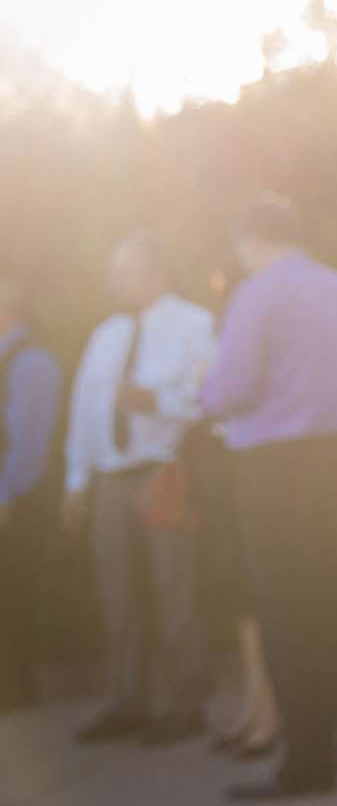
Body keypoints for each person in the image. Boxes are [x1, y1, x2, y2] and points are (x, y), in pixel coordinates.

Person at [200, 196, 337, 801]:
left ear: (249, 238)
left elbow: (231, 388)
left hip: (275, 468)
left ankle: (308, 762)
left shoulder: (258, 294)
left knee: (287, 613)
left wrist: (200, 395)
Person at [62, 233, 219, 746]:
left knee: (176, 589)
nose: (118, 281)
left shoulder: (194, 324)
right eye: (115, 271)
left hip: (163, 472)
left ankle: (186, 705)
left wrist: (159, 402)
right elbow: (84, 408)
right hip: (111, 477)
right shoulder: (107, 333)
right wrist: (77, 479)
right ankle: (127, 702)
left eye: (128, 270)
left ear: (160, 273)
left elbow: (209, 398)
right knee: (118, 594)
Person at [0, 259, 63, 712]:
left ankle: (16, 692)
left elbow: (29, 444)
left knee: (13, 597)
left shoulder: (32, 359)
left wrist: (6, 496)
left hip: (17, 501)